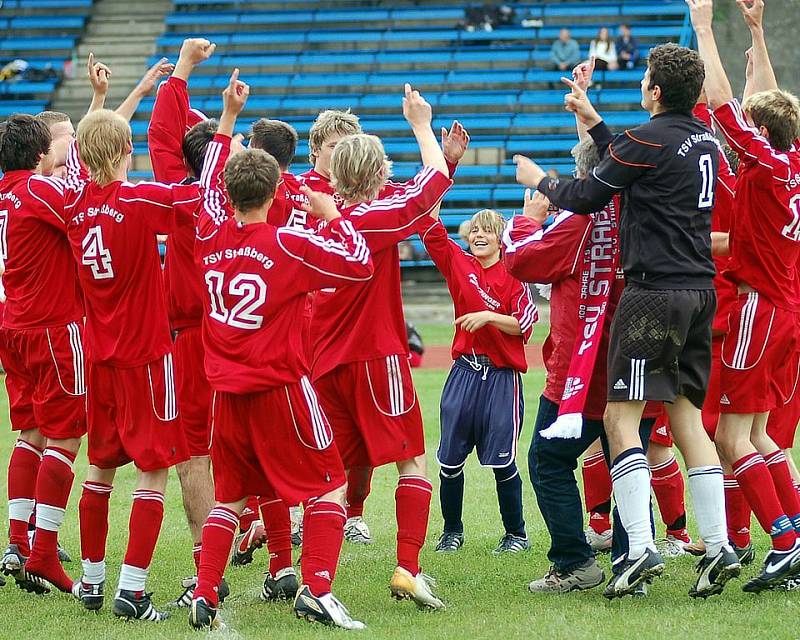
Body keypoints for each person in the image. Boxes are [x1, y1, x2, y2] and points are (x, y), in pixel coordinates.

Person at [513, 42, 738, 599]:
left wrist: (541, 183)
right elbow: (645, 160)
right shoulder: (704, 139)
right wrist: (593, 120)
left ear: (656, 91)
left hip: (653, 292)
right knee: (687, 423)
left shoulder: (646, 139)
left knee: (619, 422)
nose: (640, 86)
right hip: (698, 290)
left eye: (644, 81)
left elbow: (588, 193)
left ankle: (637, 549)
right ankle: (718, 546)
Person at [187, 70, 374, 631]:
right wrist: (330, 214)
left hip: (227, 392)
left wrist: (225, 119)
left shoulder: (207, 237)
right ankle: (317, 589)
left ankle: (205, 592)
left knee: (229, 496)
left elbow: (206, 189)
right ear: (275, 193)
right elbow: (359, 264)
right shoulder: (289, 243)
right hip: (280, 385)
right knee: (328, 482)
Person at [309, 84, 454, 609]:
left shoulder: (318, 219)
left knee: (332, 475)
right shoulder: (376, 218)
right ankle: (409, 569)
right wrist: (420, 124)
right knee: (412, 460)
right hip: (375, 355)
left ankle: (315, 582)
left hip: (323, 362)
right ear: (375, 173)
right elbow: (431, 183)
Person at [63, 83, 199, 620]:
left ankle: (92, 581)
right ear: (125, 152)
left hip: (100, 356)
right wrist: (225, 131)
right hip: (146, 356)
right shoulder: (137, 198)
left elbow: (79, 159)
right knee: (154, 469)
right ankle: (132, 589)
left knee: (98, 470)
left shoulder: (72, 205)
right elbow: (196, 196)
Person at [688, 0, 800, 592]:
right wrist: (756, 33)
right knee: (759, 436)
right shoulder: (795, 161)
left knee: (731, 439)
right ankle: (794, 533)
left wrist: (705, 28)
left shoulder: (764, 165)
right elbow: (773, 111)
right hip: (786, 309)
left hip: (758, 309)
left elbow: (724, 104)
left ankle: (783, 540)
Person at [418, 207, 537, 555]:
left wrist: (488, 316)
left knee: (502, 460)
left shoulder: (514, 275)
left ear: (501, 239)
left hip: (501, 376)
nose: (479, 236)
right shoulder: (460, 264)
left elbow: (525, 323)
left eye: (487, 230)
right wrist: (445, 168)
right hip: (464, 371)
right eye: (474, 231)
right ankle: (451, 532)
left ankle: (516, 533)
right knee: (450, 460)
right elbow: (431, 227)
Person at [0, 115, 86, 596]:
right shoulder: (40, 191)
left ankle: (17, 541)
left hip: (13, 326)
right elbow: (88, 213)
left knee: (30, 432)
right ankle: (44, 553)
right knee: (66, 436)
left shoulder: (2, 198)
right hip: (52, 328)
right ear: (39, 154)